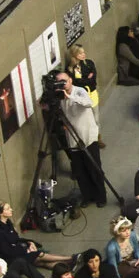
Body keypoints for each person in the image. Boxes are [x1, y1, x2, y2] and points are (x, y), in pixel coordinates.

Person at [55, 69, 107, 206]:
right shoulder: (59, 96)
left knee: (94, 168)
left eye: (64, 81)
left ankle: (101, 196)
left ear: (70, 80)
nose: (62, 84)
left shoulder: (79, 91)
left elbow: (88, 103)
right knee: (80, 170)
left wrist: (69, 96)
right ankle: (87, 196)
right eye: (59, 82)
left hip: (88, 136)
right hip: (73, 138)